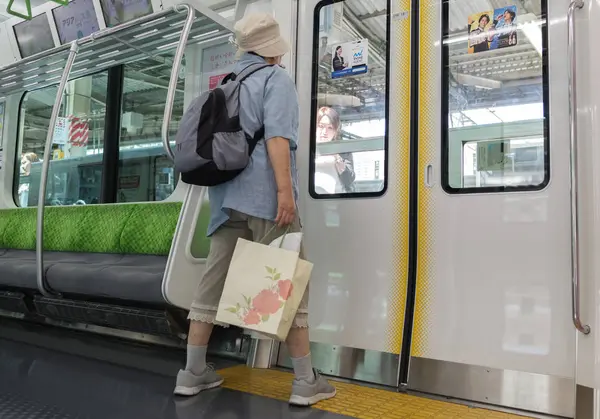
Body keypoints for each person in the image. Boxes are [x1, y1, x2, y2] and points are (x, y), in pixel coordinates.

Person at [174, 13, 336, 407]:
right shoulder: (275, 80)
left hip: (225, 203)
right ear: (272, 51)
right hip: (266, 201)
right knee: (288, 282)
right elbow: (278, 140)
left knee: (210, 286)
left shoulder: (228, 83)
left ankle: (192, 372)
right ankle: (304, 381)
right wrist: (285, 194)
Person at [315, 107, 355, 194]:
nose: (324, 131)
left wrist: (337, 158)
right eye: (321, 126)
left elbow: (349, 179)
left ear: (335, 131)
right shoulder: (307, 148)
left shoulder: (342, 151)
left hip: (336, 200)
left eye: (330, 128)